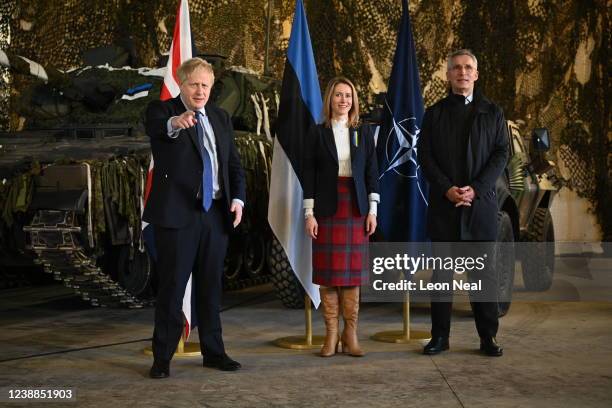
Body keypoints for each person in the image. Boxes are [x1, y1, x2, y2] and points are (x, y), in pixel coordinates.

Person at [143, 57, 246, 378]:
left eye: (205, 85)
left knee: (211, 288)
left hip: (215, 215)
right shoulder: (162, 111)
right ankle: (162, 359)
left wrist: (239, 198)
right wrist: (177, 123)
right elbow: (159, 129)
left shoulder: (221, 117)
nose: (200, 91)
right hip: (178, 217)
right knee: (172, 289)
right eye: (194, 84)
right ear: (181, 84)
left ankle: (214, 353)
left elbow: (233, 164)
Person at [418, 49, 509, 357]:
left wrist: (477, 189)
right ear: (448, 75)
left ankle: (488, 338)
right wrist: (447, 190)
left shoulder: (493, 113)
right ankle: (439, 338)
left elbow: (501, 154)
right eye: (456, 68)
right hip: (445, 207)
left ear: (476, 74)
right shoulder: (435, 113)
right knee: (442, 277)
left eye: (468, 67)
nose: (462, 72)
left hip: (479, 207)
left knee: (484, 277)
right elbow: (425, 156)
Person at [303, 77, 379, 357]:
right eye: (338, 95)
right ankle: (331, 334)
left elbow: (372, 172)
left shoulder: (364, 131)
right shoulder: (316, 132)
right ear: (330, 100)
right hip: (325, 208)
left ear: (354, 100)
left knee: (351, 277)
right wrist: (309, 213)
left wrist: (372, 210)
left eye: (348, 95)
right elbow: (308, 175)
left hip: (356, 207)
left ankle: (351, 334)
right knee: (328, 275)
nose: (343, 100)